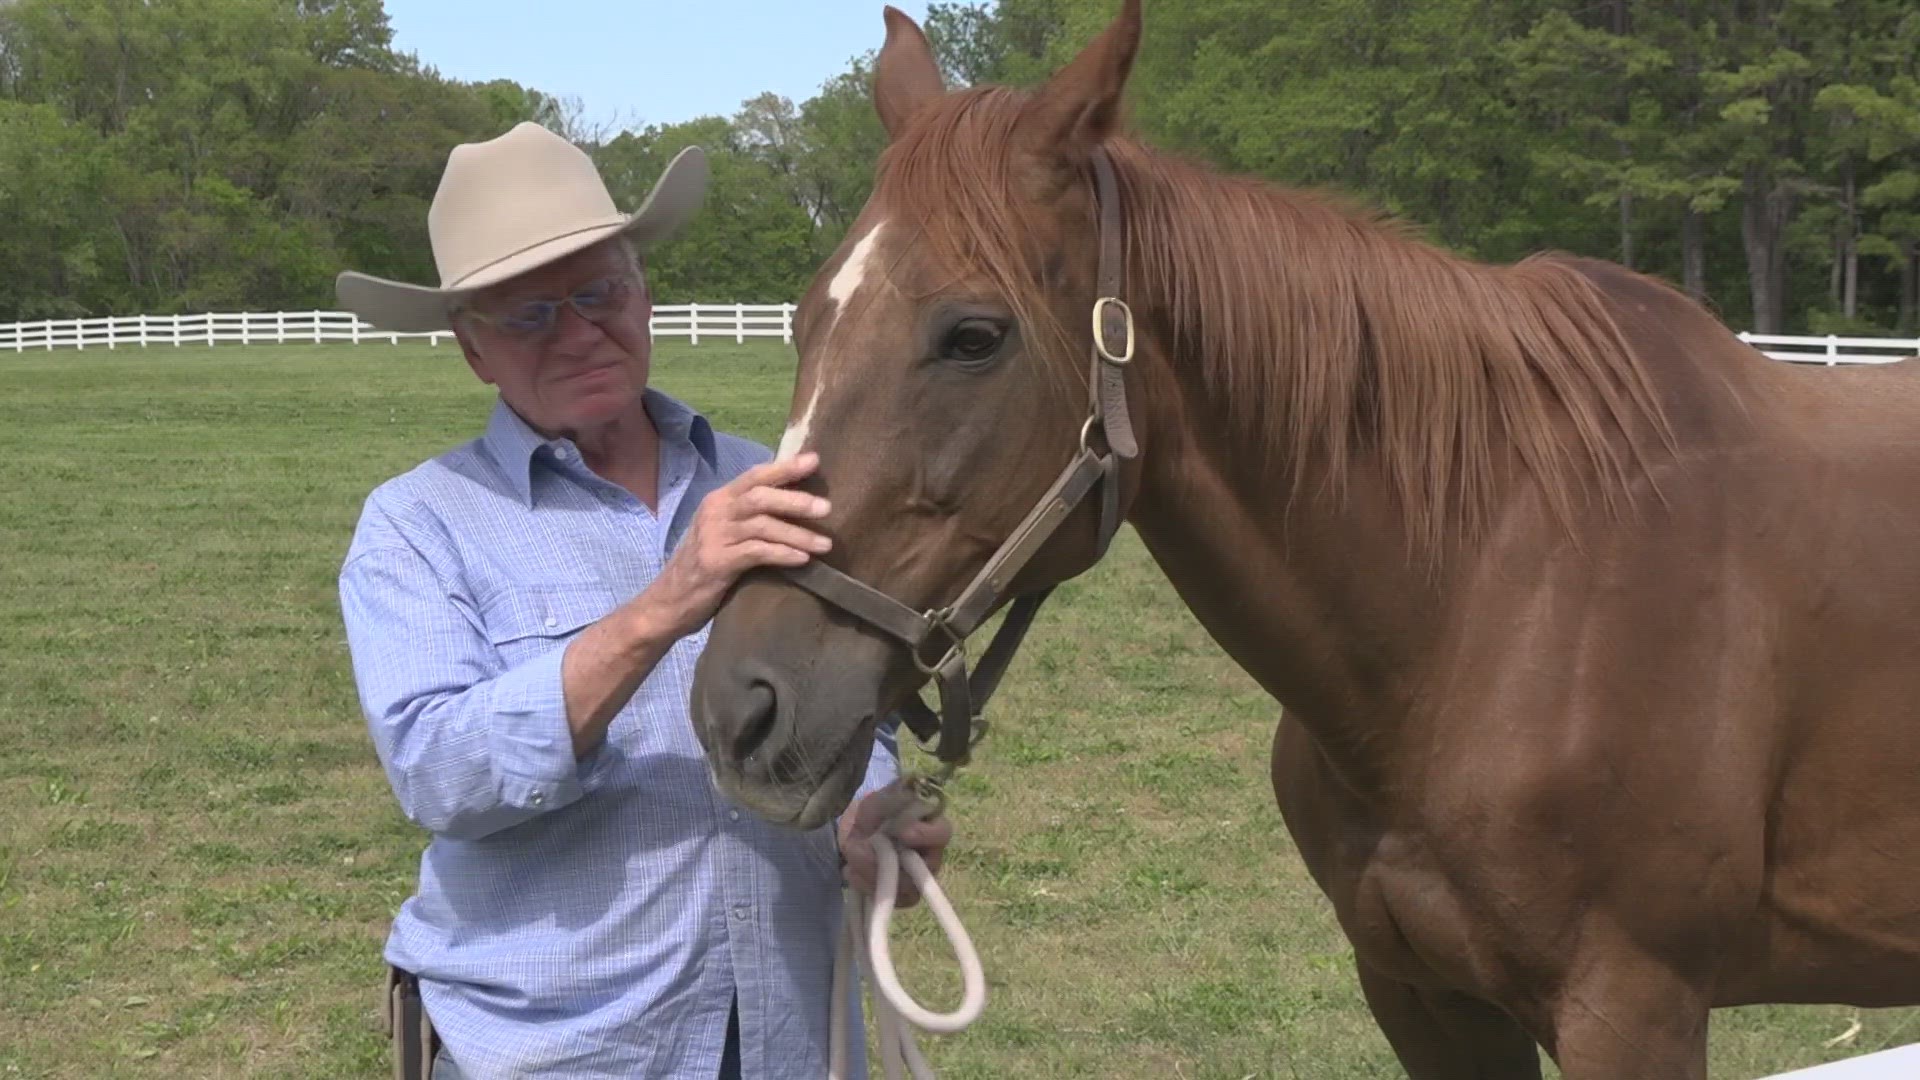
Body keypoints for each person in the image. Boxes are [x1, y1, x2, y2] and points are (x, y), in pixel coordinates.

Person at [334, 121, 952, 1080]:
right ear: (473, 351)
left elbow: (852, 715)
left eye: (599, 291)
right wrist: (668, 602)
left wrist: (863, 823)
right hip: (557, 1050)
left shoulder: (773, 478)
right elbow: (440, 774)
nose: (581, 330)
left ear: (644, 293)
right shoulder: (419, 524)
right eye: (529, 313)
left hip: (790, 1036)